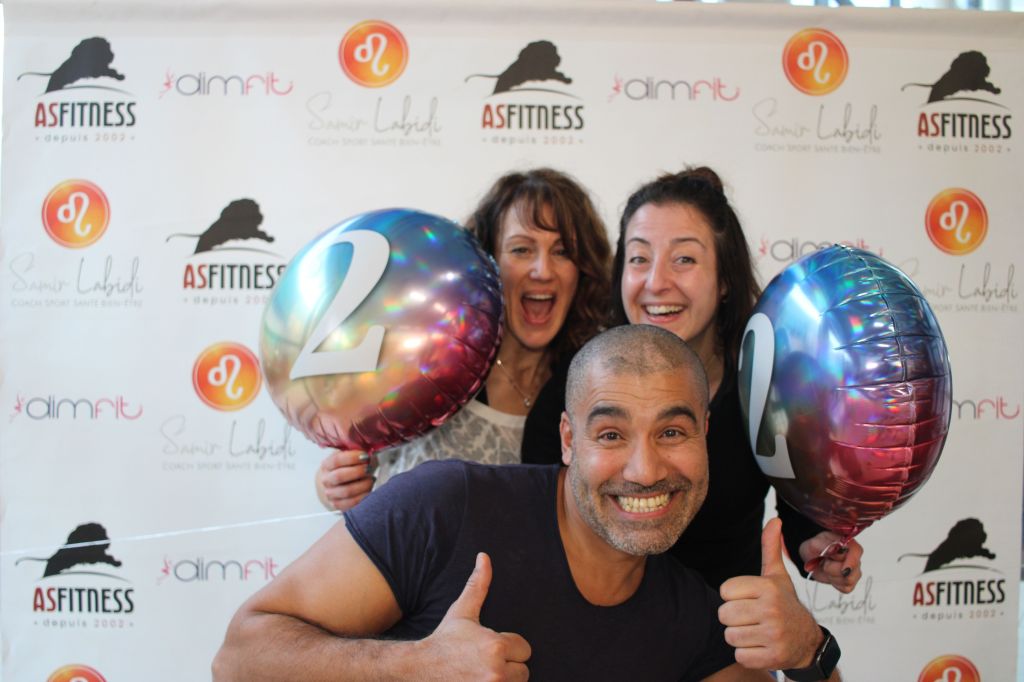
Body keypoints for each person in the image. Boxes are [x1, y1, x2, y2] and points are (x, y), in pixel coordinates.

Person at [213, 326, 840, 681]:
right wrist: (416, 668)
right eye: (611, 435)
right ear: (568, 439)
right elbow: (240, 656)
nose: (645, 470)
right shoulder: (447, 506)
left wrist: (810, 651)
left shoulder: (694, 619)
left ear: (705, 435)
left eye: (672, 432)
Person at [524, 167, 863, 593]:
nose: (656, 282)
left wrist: (819, 546)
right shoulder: (574, 389)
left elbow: (798, 513)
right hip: (597, 624)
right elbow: (538, 530)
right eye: (639, 259)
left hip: (725, 624)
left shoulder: (767, 388)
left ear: (724, 280)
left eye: (684, 259)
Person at [315, 168, 611, 511]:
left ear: (582, 270)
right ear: (487, 262)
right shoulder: (425, 360)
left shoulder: (592, 384)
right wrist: (333, 485)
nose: (543, 270)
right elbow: (346, 474)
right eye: (521, 250)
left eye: (562, 252)